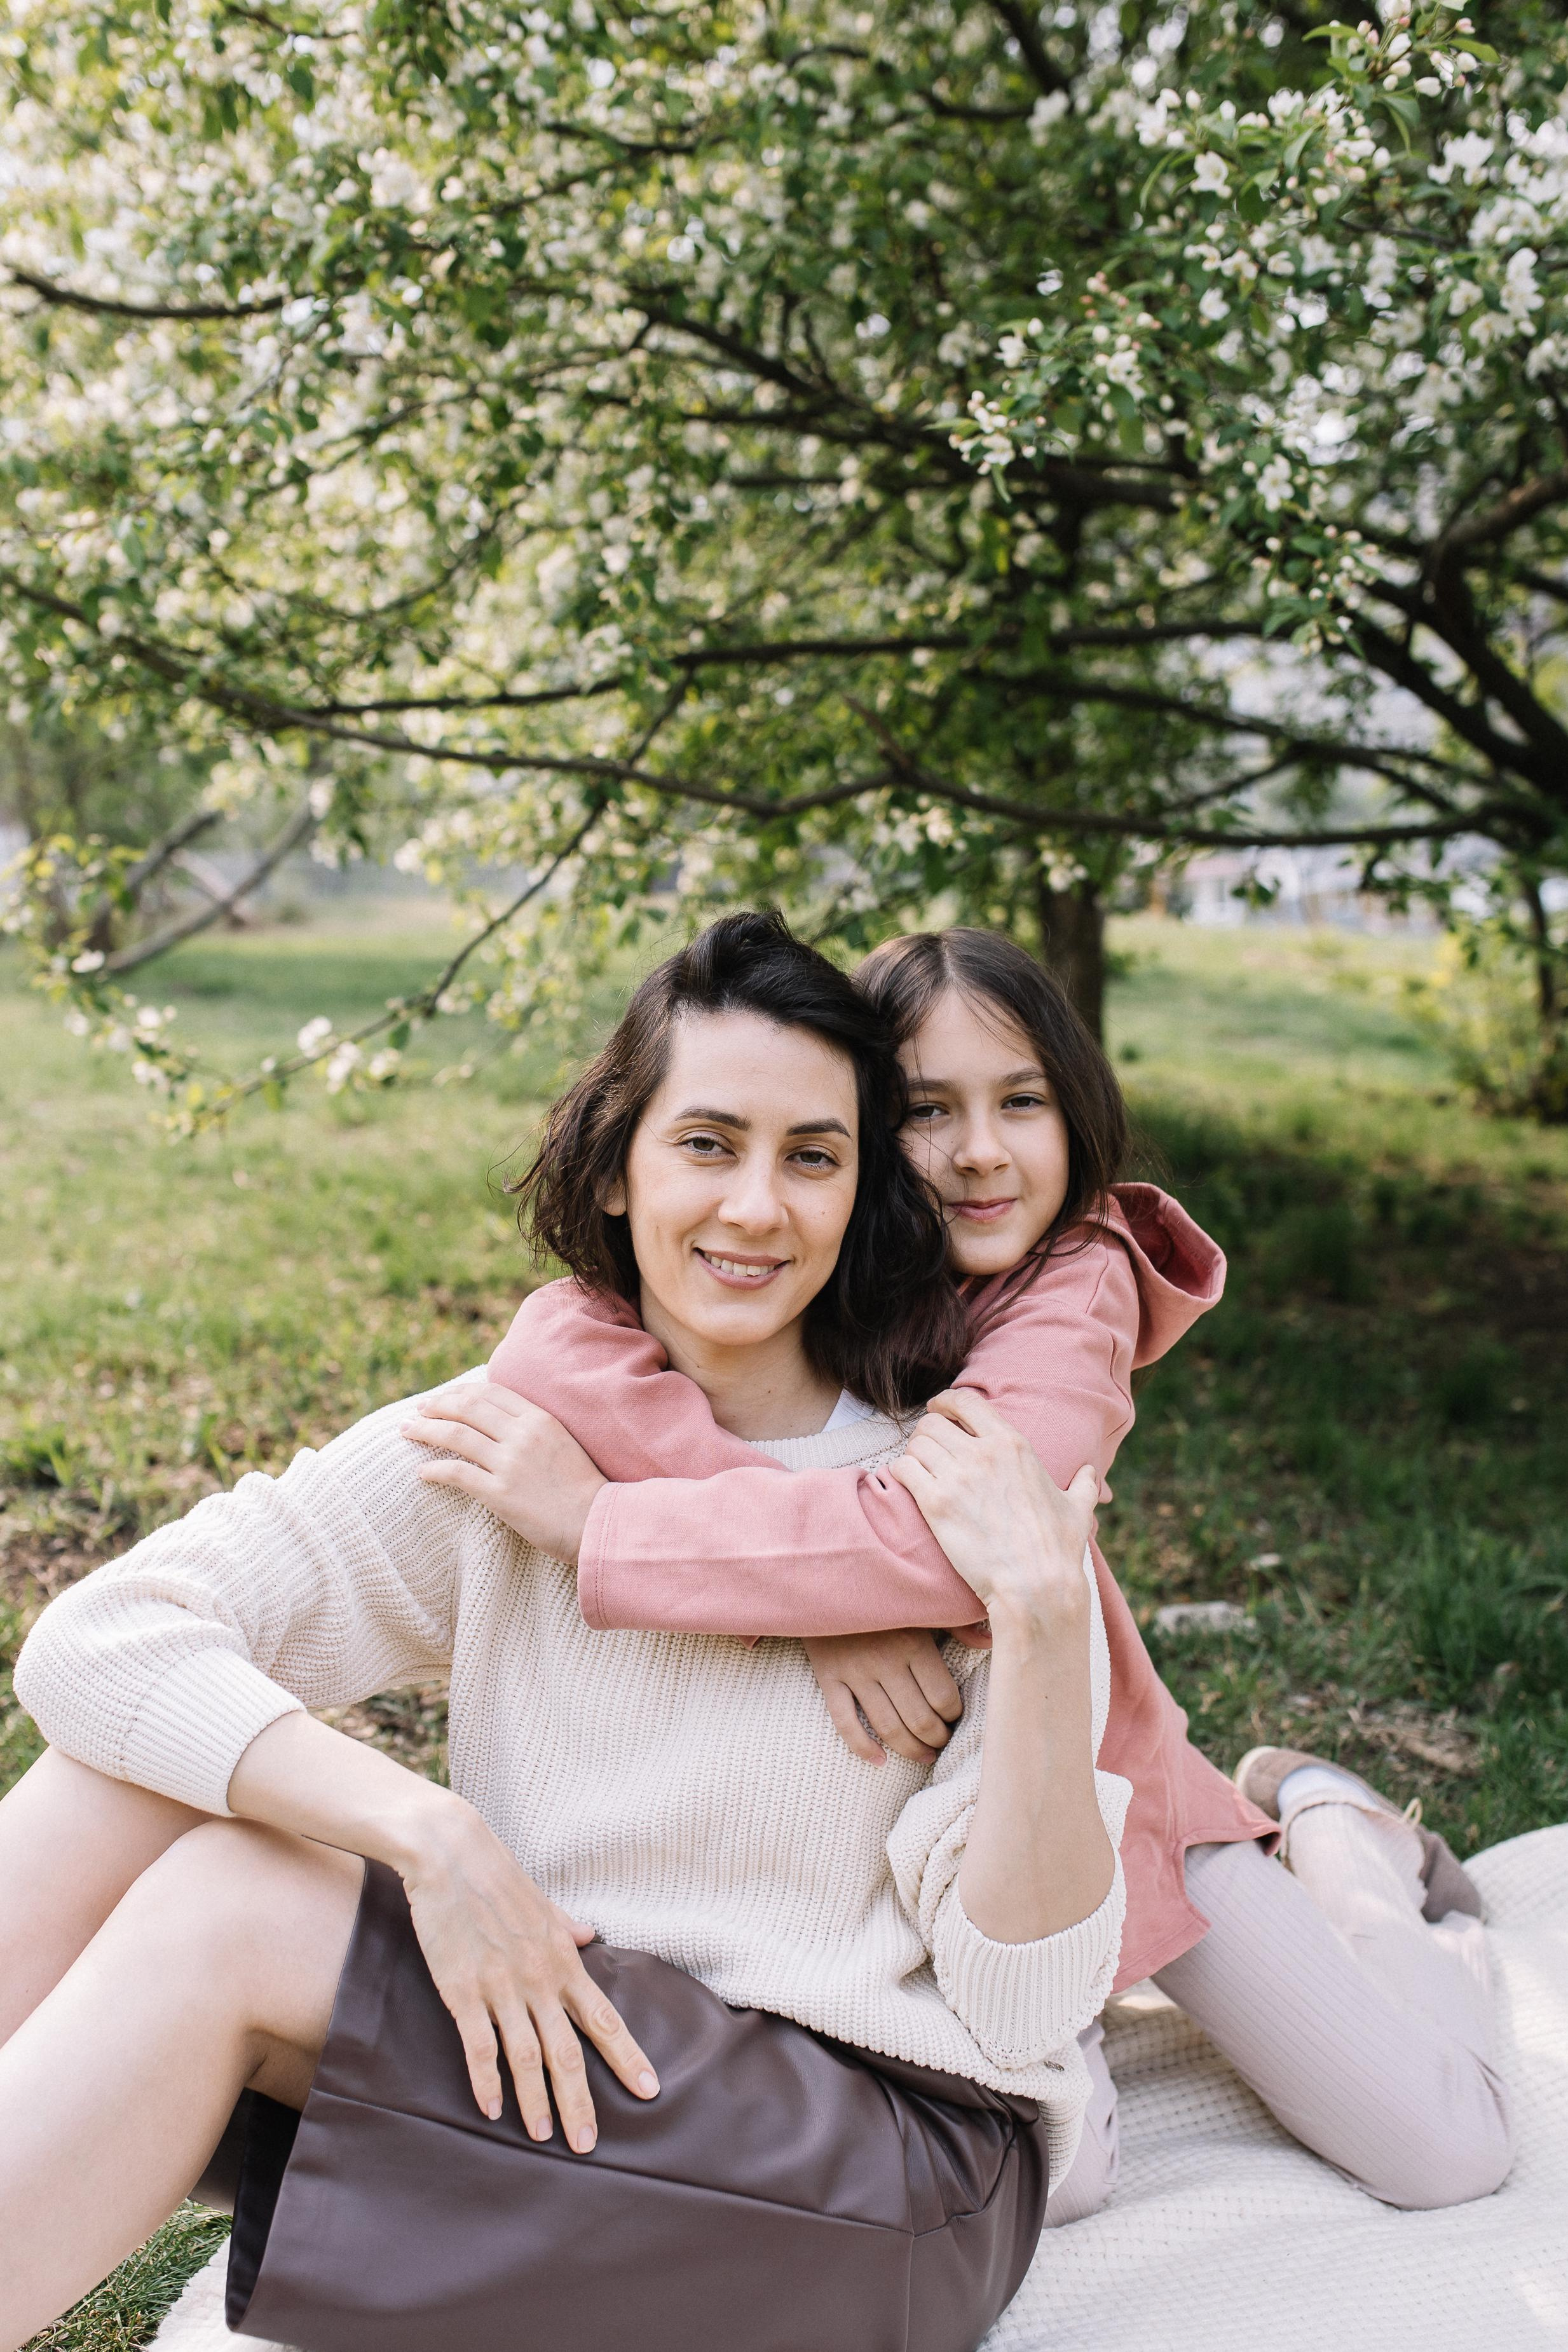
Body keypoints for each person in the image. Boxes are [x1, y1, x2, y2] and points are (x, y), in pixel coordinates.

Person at [0, 912, 1128, 2352]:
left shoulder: (940, 1502)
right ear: (615, 1165)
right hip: (579, 2070)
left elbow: (1024, 2006)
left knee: (231, 1902)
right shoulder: (517, 1457)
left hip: (878, 2168)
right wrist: (431, 1834)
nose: (756, 1207)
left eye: (813, 1156)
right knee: (128, 1779)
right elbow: (98, 1642)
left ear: (862, 1196)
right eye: (707, 1142)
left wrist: (1044, 1623)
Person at [432, 925, 1513, 2220]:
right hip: (906, 1867)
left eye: (1023, 1101)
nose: (981, 1151)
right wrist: (814, 1616)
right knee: (1050, 2175)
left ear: (1078, 1109)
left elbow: (947, 1547)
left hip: (1103, 1799)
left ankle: (1339, 1835)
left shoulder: (1077, 1284)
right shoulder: (806, 1268)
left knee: (1446, 2149)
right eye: (926, 1110)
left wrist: (604, 1524)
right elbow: (557, 1343)